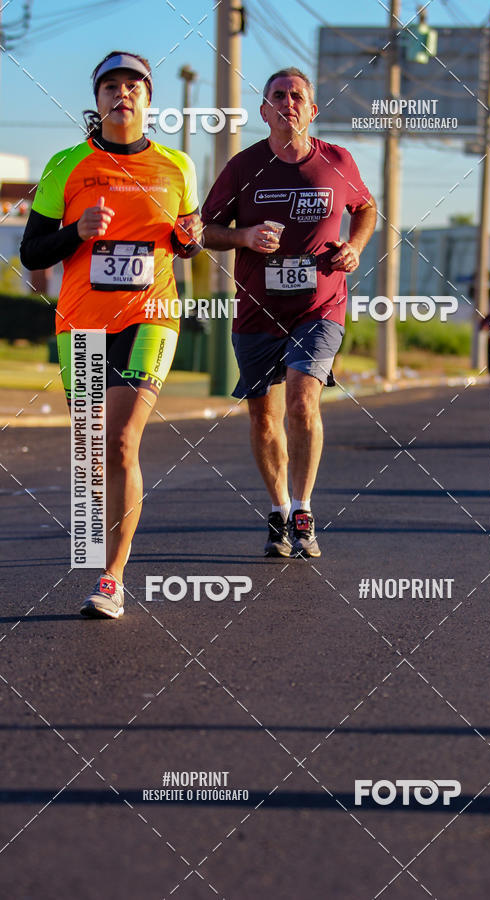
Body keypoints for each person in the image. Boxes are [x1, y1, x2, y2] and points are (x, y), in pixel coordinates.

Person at [20, 51, 203, 619]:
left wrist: (189, 238)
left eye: (134, 86)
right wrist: (76, 231)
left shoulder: (177, 167)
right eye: (111, 87)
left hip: (151, 316)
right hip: (80, 322)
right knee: (92, 452)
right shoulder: (67, 165)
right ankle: (100, 544)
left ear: (149, 100)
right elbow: (31, 253)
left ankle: (111, 577)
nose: (122, 95)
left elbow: (187, 241)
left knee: (122, 441)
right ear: (97, 101)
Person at [201, 67, 376, 558]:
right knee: (264, 417)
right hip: (257, 310)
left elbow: (366, 207)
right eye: (277, 95)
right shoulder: (242, 167)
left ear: (312, 110)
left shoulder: (337, 161)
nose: (288, 102)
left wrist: (356, 247)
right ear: (264, 111)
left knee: (302, 402)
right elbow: (202, 230)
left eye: (297, 96)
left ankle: (303, 507)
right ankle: (278, 510)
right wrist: (242, 237)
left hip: (321, 306)